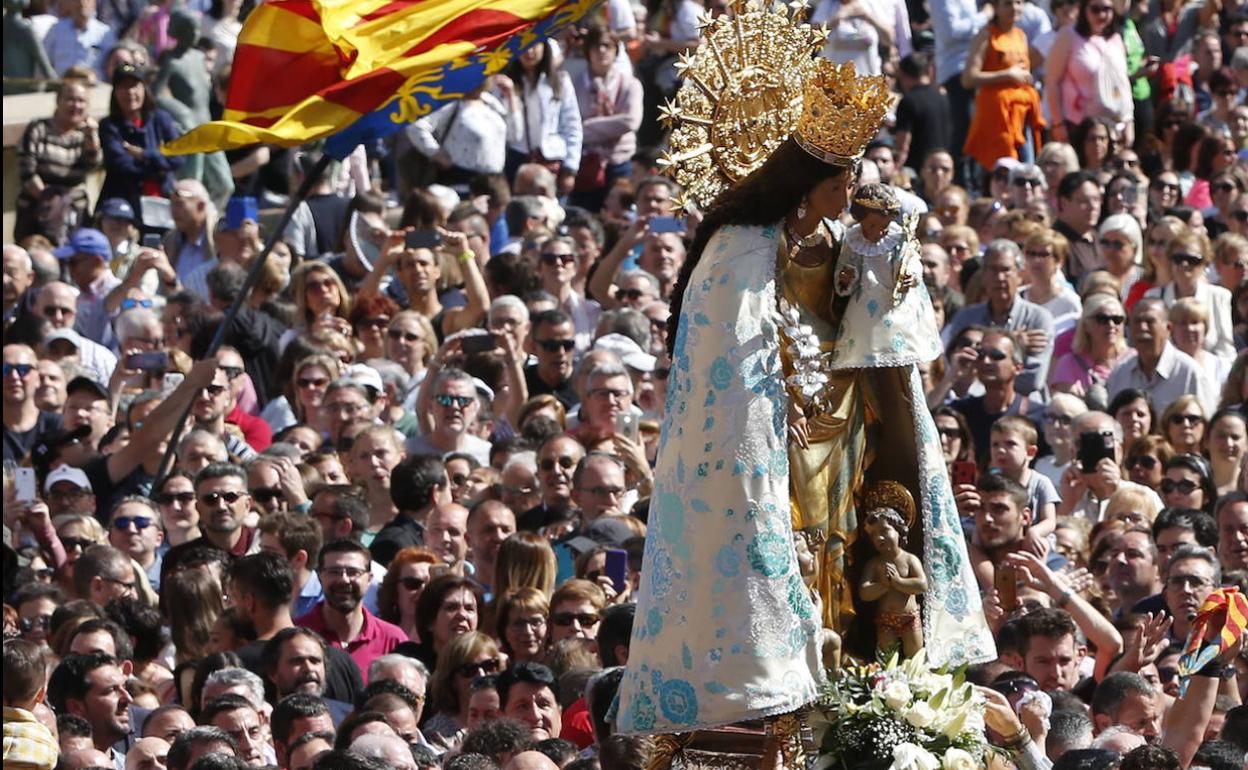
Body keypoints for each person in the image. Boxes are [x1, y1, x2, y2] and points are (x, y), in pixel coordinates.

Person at [619, 58, 991, 742]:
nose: (854, 187)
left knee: (843, 538)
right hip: (776, 424)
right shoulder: (738, 249)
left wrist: (888, 272)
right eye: (843, 175)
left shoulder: (840, 239)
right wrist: (775, 406)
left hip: (847, 414)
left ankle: (845, 663)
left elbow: (870, 321)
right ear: (806, 182)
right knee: (796, 541)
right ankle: (792, 673)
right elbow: (726, 356)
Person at [961, 0, 1044, 172]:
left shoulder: (1021, 36)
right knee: (1000, 171)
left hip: (1021, 116)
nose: (1014, 8)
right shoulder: (986, 36)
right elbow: (968, 78)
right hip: (996, 117)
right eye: (1007, 3)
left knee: (1025, 171)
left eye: (1018, 2)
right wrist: (1006, 75)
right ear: (996, 7)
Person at [15, 79, 101, 244]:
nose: (76, 105)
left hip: (74, 211)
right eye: (70, 99)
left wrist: (92, 136)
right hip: (38, 208)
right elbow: (26, 172)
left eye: (81, 101)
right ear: (58, 101)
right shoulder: (38, 129)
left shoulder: (84, 135)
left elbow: (93, 165)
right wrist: (52, 204)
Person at [97, 65, 184, 227]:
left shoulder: (161, 119)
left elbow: (179, 158)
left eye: (135, 86)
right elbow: (121, 165)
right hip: (125, 202)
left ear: (144, 89)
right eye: (123, 87)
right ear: (115, 93)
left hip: (162, 201)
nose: (130, 92)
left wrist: (145, 155)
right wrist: (161, 165)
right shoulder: (109, 126)